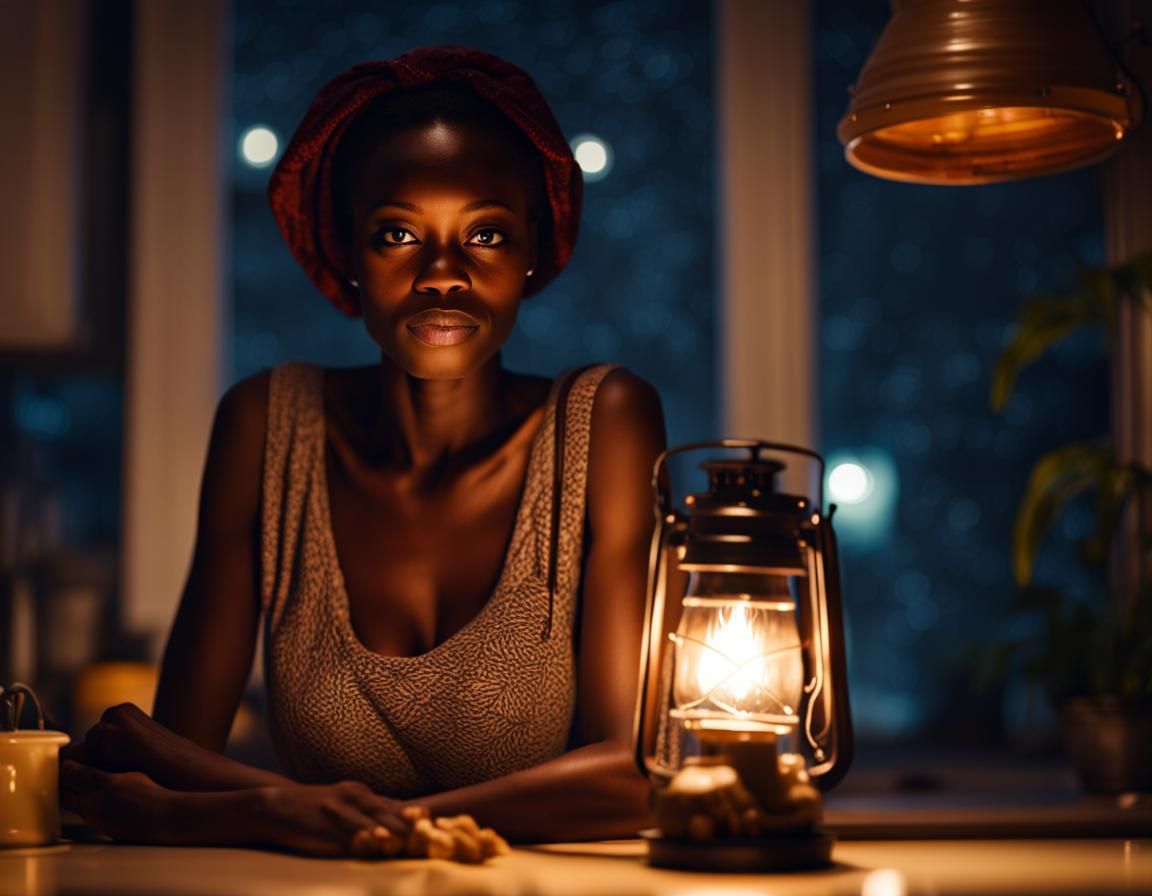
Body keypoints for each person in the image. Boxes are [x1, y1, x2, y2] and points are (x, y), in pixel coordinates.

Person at [60, 46, 666, 856]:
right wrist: (268, 807)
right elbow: (177, 765)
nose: (443, 274)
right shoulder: (265, 426)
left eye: (485, 233)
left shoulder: (603, 423)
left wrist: (321, 815)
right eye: (397, 235)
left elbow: (633, 774)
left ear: (532, 250)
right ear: (347, 254)